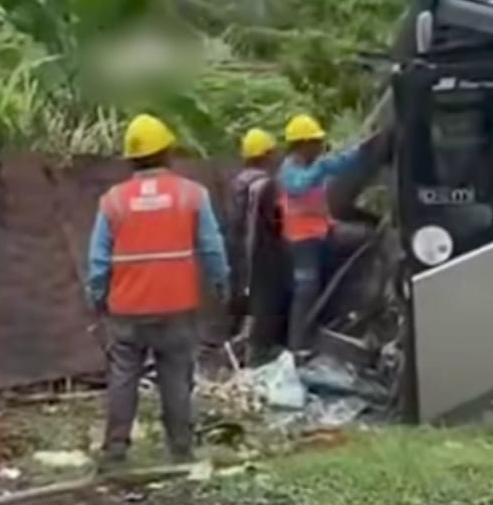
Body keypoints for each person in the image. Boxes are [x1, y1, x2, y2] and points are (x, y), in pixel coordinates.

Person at [87, 113, 230, 469]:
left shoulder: (113, 201)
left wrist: (97, 297)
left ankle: (115, 450)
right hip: (176, 304)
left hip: (127, 307)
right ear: (168, 152)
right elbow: (212, 248)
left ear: (131, 158)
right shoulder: (192, 195)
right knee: (176, 376)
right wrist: (221, 282)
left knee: (123, 377)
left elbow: (99, 260)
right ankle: (181, 449)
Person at [278, 114, 387, 355]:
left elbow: (341, 164)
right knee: (306, 289)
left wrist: (363, 150)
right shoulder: (290, 169)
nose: (318, 146)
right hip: (301, 241)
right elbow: (298, 186)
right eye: (315, 142)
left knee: (366, 237)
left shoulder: (313, 164)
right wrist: (322, 167)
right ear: (302, 144)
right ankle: (298, 346)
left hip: (323, 232)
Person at [227, 128, 290, 366]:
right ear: (267, 155)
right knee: (262, 310)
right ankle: (255, 359)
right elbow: (275, 223)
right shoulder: (265, 186)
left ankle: (238, 353)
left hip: (239, 255)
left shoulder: (238, 183)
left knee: (243, 305)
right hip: (261, 256)